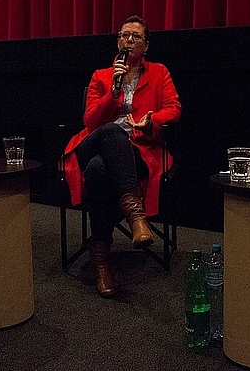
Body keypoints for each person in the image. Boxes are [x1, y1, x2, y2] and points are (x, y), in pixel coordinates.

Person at [62, 15, 181, 298]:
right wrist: (114, 92)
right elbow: (91, 121)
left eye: (135, 36)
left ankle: (102, 261)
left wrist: (152, 121)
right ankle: (135, 216)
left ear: (146, 45)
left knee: (97, 169)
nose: (128, 40)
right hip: (94, 140)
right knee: (110, 133)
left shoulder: (159, 72)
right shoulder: (101, 76)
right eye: (124, 35)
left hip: (138, 149)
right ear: (118, 42)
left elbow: (173, 108)